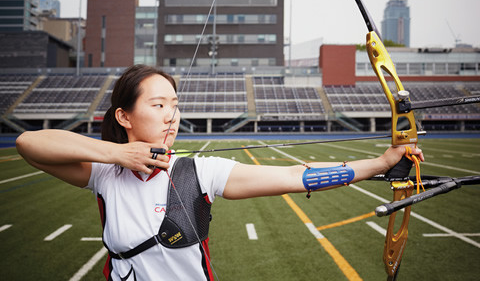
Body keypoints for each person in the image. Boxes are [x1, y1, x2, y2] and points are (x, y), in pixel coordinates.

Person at [16, 64, 424, 281]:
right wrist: (119, 155)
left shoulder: (200, 171)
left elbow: (295, 176)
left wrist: (380, 163)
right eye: (158, 106)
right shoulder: (104, 174)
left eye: (174, 105)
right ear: (124, 115)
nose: (171, 116)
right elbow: (29, 144)